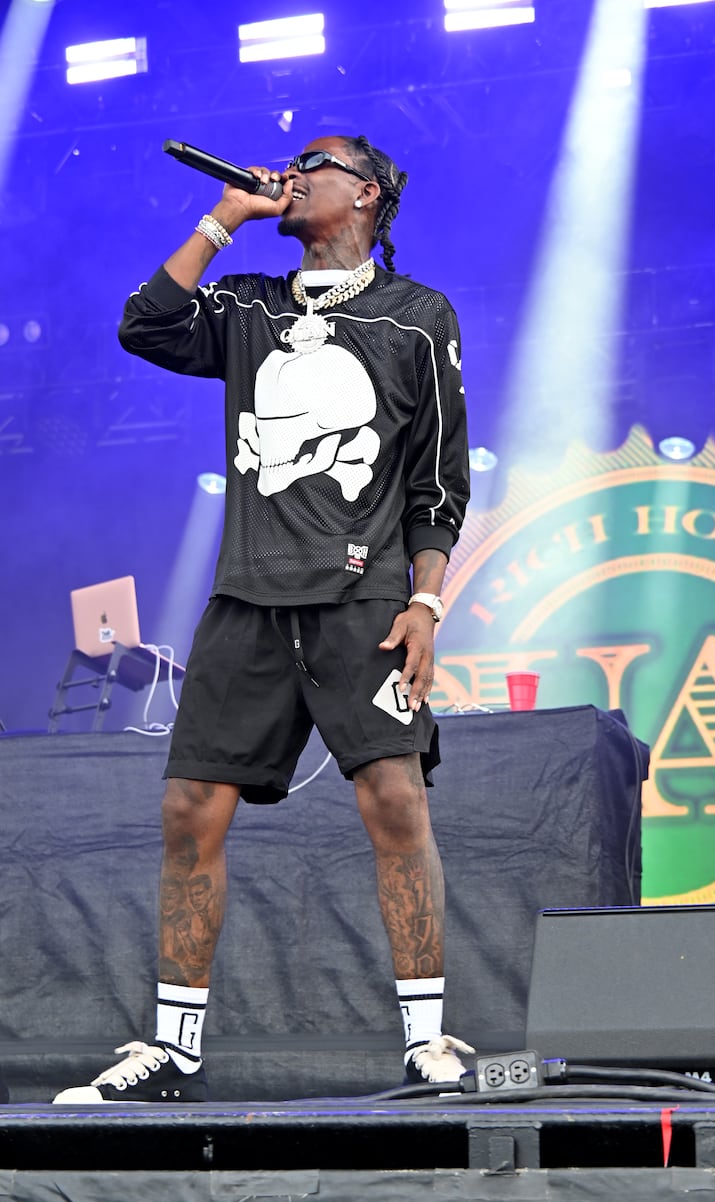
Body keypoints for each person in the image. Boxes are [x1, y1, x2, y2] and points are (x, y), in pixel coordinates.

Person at [53, 134, 471, 1104]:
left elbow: (436, 477)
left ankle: (427, 1039)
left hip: (361, 597)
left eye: (311, 163)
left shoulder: (416, 316)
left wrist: (426, 599)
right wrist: (222, 216)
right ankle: (174, 1048)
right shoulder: (247, 301)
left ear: (363, 193)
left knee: (395, 802)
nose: (287, 173)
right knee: (189, 810)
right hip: (247, 595)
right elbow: (145, 324)